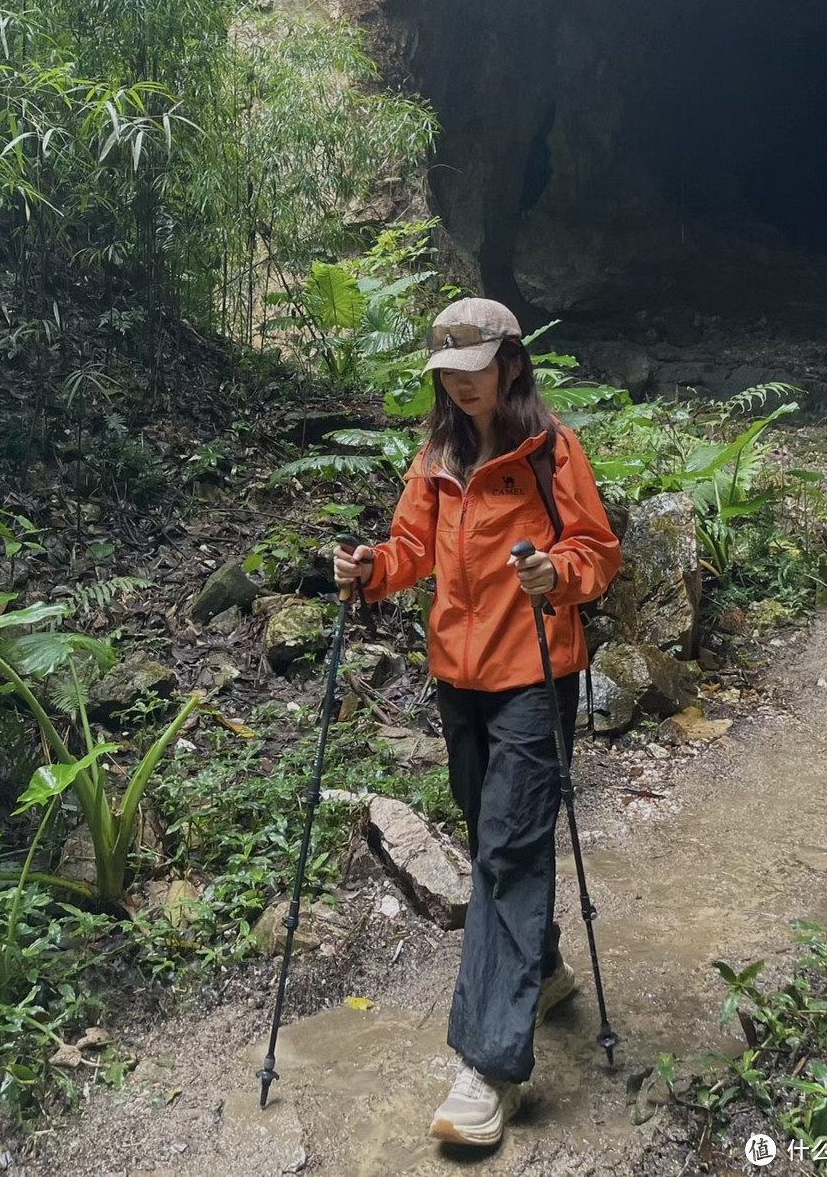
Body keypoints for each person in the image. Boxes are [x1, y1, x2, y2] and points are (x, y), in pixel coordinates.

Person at [333, 297, 621, 1147]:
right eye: (446, 374)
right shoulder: (437, 457)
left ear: (509, 363)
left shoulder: (551, 451)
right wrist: (366, 570)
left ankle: (486, 1067)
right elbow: (409, 551)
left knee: (505, 846)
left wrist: (555, 577)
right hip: (458, 680)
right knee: (495, 835)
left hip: (535, 676)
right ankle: (544, 968)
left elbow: (596, 553)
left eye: (472, 369)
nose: (459, 386)